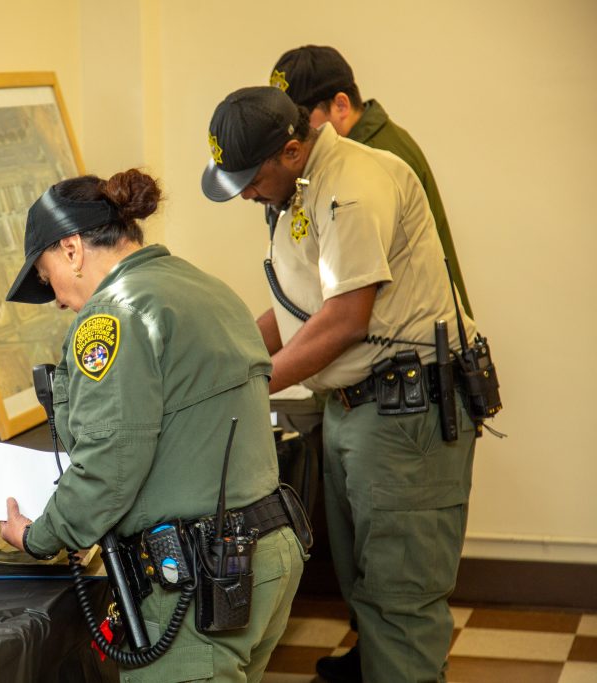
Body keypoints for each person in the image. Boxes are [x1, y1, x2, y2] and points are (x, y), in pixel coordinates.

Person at [201, 87, 479, 683]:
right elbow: (296, 309)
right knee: (362, 585)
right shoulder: (302, 188)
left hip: (405, 415)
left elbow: (346, 319)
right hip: (357, 409)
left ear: (293, 150)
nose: (245, 192)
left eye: (250, 178)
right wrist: (222, 366)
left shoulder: (352, 186)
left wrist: (249, 389)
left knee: (399, 598)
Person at [0, 169, 305, 681]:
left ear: (72, 249)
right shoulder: (207, 288)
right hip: (266, 557)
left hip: (200, 579)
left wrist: (39, 535)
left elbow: (108, 464)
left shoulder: (112, 317)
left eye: (48, 275)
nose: (55, 298)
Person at [269, 44, 473, 318]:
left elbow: (349, 308)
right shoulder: (344, 159)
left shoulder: (373, 161)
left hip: (417, 344)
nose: (295, 137)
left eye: (303, 121)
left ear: (341, 105)